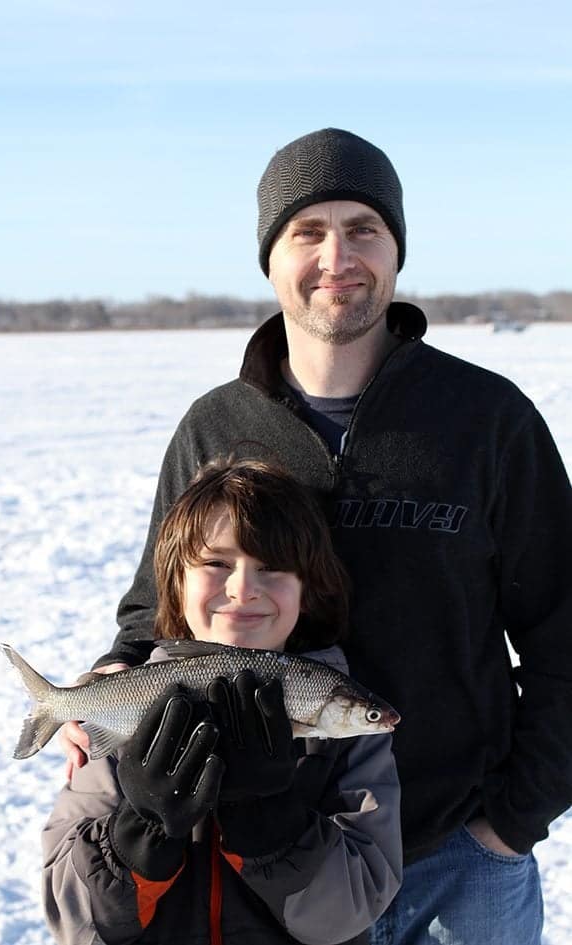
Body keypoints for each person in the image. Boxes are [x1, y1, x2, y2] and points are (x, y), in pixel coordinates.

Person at [61, 128, 572, 944]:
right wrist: (106, 699)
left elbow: (563, 630)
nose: (338, 256)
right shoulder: (216, 426)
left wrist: (512, 821)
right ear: (270, 259)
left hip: (461, 860)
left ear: (396, 251)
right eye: (308, 231)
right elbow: (152, 615)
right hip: (276, 863)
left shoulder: (486, 420)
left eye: (363, 229)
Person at [44, 458, 402, 945]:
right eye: (216, 564)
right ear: (176, 581)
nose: (242, 590)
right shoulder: (129, 702)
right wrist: (142, 831)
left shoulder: (347, 739)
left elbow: (352, 912)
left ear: (307, 589)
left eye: (272, 567)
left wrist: (272, 827)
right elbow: (74, 922)